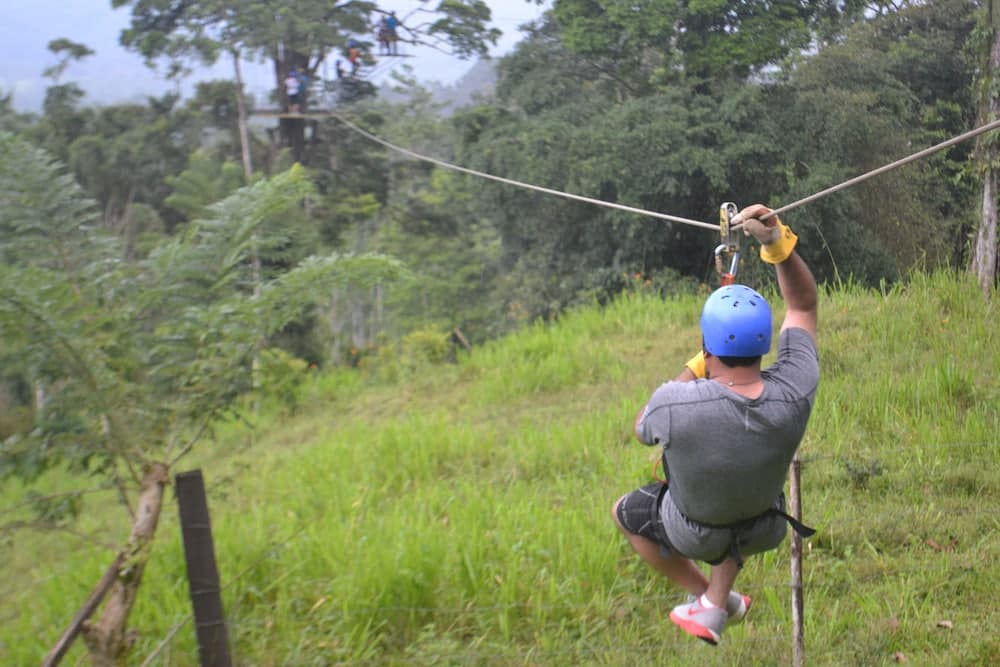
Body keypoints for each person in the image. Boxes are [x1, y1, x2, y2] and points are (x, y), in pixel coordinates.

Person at [612, 203, 819, 646]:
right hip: (765, 524)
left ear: (707, 349)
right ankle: (717, 600)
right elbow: (803, 305)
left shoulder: (675, 403)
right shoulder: (795, 388)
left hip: (696, 534)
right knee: (739, 488)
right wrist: (776, 242)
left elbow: (641, 427)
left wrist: (694, 368)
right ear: (764, 342)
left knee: (625, 513)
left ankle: (708, 597)